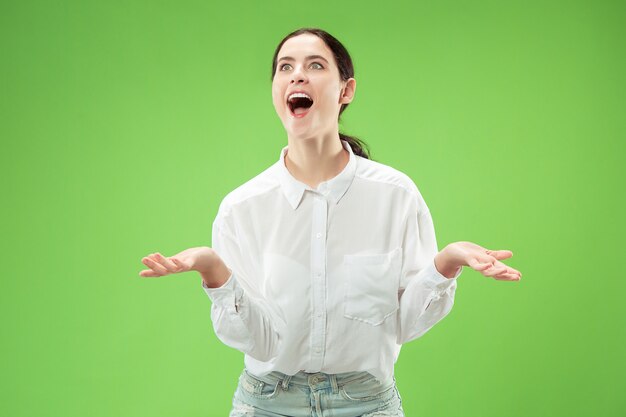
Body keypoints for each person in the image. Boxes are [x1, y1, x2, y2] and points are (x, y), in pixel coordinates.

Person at [139, 27, 522, 417]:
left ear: (346, 90)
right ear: (276, 89)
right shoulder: (243, 207)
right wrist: (213, 269)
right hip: (267, 405)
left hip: (368, 405)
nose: (297, 75)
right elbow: (260, 342)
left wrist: (446, 264)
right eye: (285, 67)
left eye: (315, 65)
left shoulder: (396, 195)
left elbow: (403, 325)